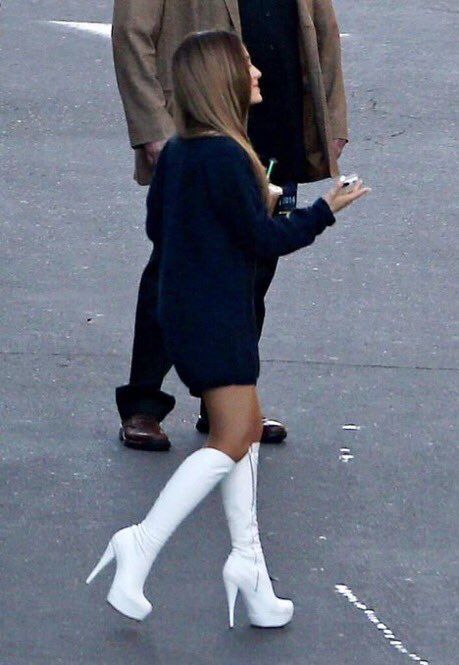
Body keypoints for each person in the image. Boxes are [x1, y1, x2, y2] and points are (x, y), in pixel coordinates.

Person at [87, 31, 369, 627]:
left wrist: (238, 213)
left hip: (189, 311)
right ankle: (138, 546)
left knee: (240, 434)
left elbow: (159, 229)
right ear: (224, 81)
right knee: (230, 440)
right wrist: (325, 209)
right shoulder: (227, 157)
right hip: (218, 317)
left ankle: (249, 567)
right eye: (248, 66)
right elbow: (267, 242)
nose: (259, 73)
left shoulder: (187, 153)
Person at [112, 0, 349, 450]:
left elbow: (323, 29)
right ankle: (143, 403)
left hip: (278, 125)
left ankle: (225, 402)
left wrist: (331, 118)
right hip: (204, 126)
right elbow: (131, 33)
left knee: (257, 268)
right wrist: (153, 127)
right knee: (174, 265)